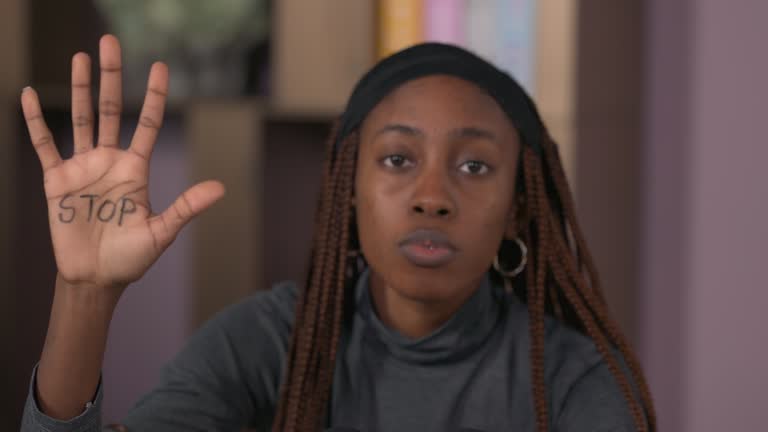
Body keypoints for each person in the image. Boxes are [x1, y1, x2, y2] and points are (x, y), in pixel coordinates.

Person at [19, 35, 655, 432]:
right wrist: (86, 295)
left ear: (518, 206)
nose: (432, 197)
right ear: (349, 189)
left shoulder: (578, 379)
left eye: (474, 166)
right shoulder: (274, 338)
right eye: (399, 160)